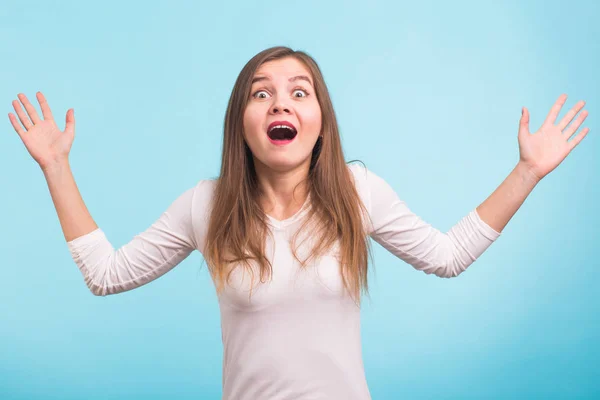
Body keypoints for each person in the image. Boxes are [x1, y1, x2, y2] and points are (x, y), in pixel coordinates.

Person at [8, 46, 590, 400]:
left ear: (320, 122)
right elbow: (105, 274)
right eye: (261, 94)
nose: (280, 104)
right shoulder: (205, 206)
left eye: (298, 92)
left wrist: (528, 172)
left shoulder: (358, 192)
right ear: (242, 124)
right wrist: (56, 166)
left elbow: (448, 255)